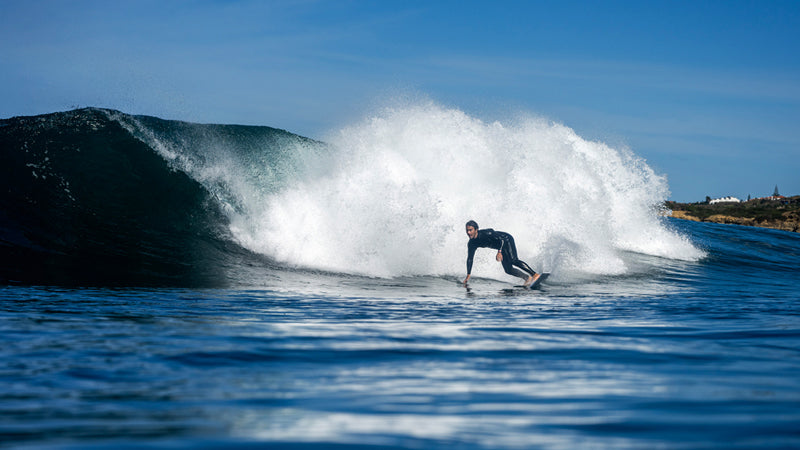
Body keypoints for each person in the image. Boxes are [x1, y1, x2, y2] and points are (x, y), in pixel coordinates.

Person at [462, 220, 540, 286]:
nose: (468, 232)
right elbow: (470, 259)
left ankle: (535, 275)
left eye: (470, 230)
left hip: (506, 239)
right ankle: (527, 278)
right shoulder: (472, 243)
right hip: (501, 246)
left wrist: (499, 252)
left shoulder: (487, 233)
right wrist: (468, 274)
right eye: (467, 230)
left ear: (476, 229)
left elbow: (501, 240)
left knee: (514, 260)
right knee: (508, 270)